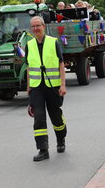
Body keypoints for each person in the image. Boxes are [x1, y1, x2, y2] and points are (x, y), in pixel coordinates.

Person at [25, 16, 67, 162]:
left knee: (56, 117)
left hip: (53, 86)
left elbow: (61, 64)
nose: (36, 28)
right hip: (37, 88)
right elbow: (29, 67)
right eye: (33, 26)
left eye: (38, 25)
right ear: (31, 29)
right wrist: (28, 87)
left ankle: (61, 140)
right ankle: (43, 150)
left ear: (43, 26)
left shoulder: (53, 42)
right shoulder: (29, 44)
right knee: (39, 118)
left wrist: (62, 84)